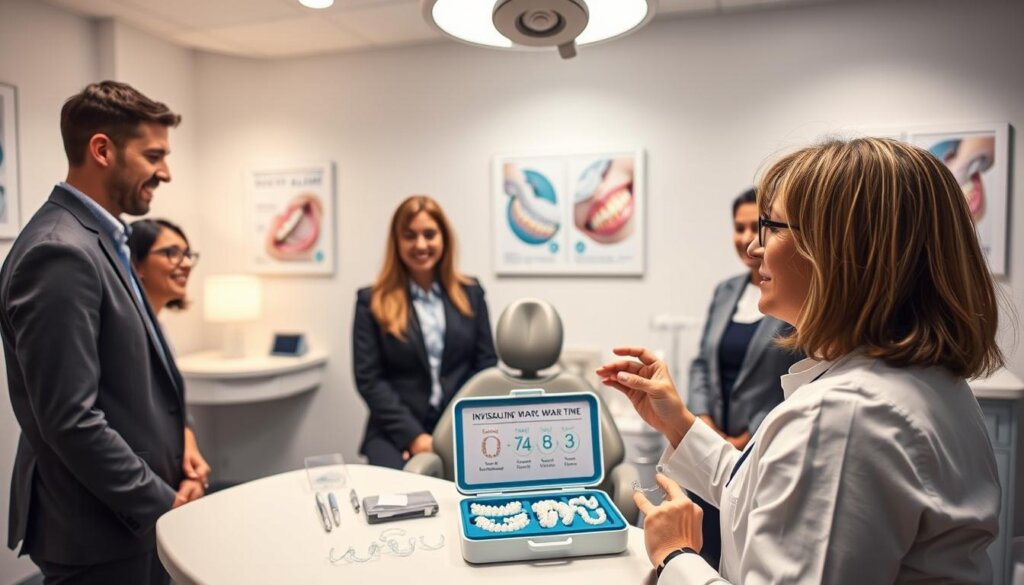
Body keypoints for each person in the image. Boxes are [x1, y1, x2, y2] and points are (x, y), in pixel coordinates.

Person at [598, 137, 1003, 584]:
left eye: (771, 227)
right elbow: (766, 491)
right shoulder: (919, 384)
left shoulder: (846, 415)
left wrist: (675, 555)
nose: (754, 249)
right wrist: (679, 424)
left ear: (841, 250)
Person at [1, 81, 201, 584]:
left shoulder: (104, 238)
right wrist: (163, 502)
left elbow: (128, 383)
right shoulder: (58, 251)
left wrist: (183, 443)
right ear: (102, 150)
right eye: (153, 155)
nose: (166, 172)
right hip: (97, 529)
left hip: (126, 517)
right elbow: (70, 420)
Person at [684, 187, 802, 567]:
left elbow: (796, 377)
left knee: (744, 555)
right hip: (710, 443)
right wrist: (702, 422)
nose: (747, 239)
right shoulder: (726, 292)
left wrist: (747, 437)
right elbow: (702, 363)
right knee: (703, 550)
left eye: (758, 227)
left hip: (761, 444)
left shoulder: (791, 295)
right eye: (739, 228)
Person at [352, 195, 497, 469]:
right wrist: (413, 437)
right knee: (398, 493)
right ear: (397, 242)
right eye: (409, 236)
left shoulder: (472, 294)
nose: (420, 245)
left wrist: (455, 428)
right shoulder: (370, 301)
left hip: (459, 424)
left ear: (444, 238)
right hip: (394, 430)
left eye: (429, 234)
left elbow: (485, 366)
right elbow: (369, 379)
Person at [129, 218, 211, 492]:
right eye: (171, 253)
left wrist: (191, 461)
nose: (185, 263)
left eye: (187, 254)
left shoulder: (158, 328)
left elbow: (172, 409)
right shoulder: (129, 335)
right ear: (137, 265)